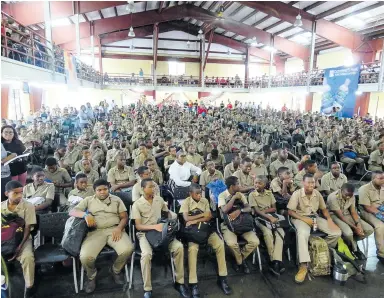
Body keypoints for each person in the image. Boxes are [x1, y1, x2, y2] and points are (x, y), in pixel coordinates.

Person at [70, 179, 134, 293]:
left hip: (114, 229)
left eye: (105, 189)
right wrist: (85, 214)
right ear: (94, 191)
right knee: (85, 257)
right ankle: (91, 276)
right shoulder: (88, 200)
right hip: (95, 232)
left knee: (127, 249)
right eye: (99, 190)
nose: (103, 192)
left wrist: (119, 228)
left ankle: (115, 270)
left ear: (108, 189)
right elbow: (72, 212)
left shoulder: (116, 200)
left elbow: (124, 217)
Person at [131, 178, 189, 298]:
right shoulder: (137, 204)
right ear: (143, 189)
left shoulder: (159, 199)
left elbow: (166, 212)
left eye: (154, 186)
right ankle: (147, 289)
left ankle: (180, 282)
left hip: (161, 232)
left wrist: (171, 217)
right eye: (151, 187)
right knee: (146, 254)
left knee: (178, 247)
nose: (154, 188)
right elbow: (138, 226)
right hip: (145, 234)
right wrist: (155, 226)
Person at [287, 174, 341, 284]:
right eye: (309, 182)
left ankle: (320, 252)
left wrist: (329, 220)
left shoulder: (317, 193)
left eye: (313, 182)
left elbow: (324, 209)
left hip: (315, 217)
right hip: (299, 218)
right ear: (303, 183)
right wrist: (304, 219)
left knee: (336, 232)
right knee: (302, 234)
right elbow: (290, 212)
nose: (311, 185)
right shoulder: (297, 194)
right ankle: (304, 265)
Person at [179, 183, 232, 296]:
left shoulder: (205, 201)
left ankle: (222, 278)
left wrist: (194, 220)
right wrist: (201, 216)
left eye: (200, 193)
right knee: (192, 250)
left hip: (206, 230)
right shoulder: (186, 202)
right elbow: (186, 218)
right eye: (197, 193)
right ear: (190, 193)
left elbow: (209, 216)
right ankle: (193, 283)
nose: (199, 195)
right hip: (194, 233)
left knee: (219, 244)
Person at [1, 181, 36, 298]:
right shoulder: (1, 207)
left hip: (23, 239)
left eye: (21, 193)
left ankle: (29, 286)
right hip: (5, 240)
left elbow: (27, 228)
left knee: (28, 258)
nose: (20, 196)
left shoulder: (28, 206)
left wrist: (19, 247)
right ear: (7, 193)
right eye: (15, 193)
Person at [218, 176, 259, 274]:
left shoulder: (240, 194)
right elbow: (224, 210)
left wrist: (240, 210)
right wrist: (233, 198)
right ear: (232, 186)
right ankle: (241, 262)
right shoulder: (222, 195)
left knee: (255, 241)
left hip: (242, 222)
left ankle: (238, 259)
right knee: (232, 243)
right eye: (238, 184)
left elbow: (249, 208)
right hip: (228, 225)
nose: (240, 186)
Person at [249, 176, 285, 276]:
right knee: (268, 233)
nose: (256, 185)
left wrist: (265, 211)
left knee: (280, 232)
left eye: (259, 183)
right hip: (260, 219)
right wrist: (268, 216)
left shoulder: (269, 193)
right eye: (255, 183)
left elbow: (274, 209)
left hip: (271, 216)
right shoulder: (252, 195)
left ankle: (276, 260)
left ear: (264, 185)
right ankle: (272, 259)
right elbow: (256, 211)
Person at [327, 183, 373, 257]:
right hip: (334, 216)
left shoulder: (352, 196)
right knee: (349, 233)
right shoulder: (333, 197)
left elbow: (353, 212)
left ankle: (351, 243)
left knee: (369, 229)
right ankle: (354, 248)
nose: (348, 197)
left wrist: (358, 224)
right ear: (341, 190)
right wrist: (355, 228)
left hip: (347, 213)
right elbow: (341, 216)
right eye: (346, 195)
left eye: (350, 195)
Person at [358, 171, 384, 264]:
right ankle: (381, 254)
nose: (383, 180)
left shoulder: (383, 187)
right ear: (373, 179)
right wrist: (381, 214)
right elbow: (367, 207)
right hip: (367, 211)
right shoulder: (364, 189)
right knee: (380, 226)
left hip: (380, 209)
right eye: (380, 178)